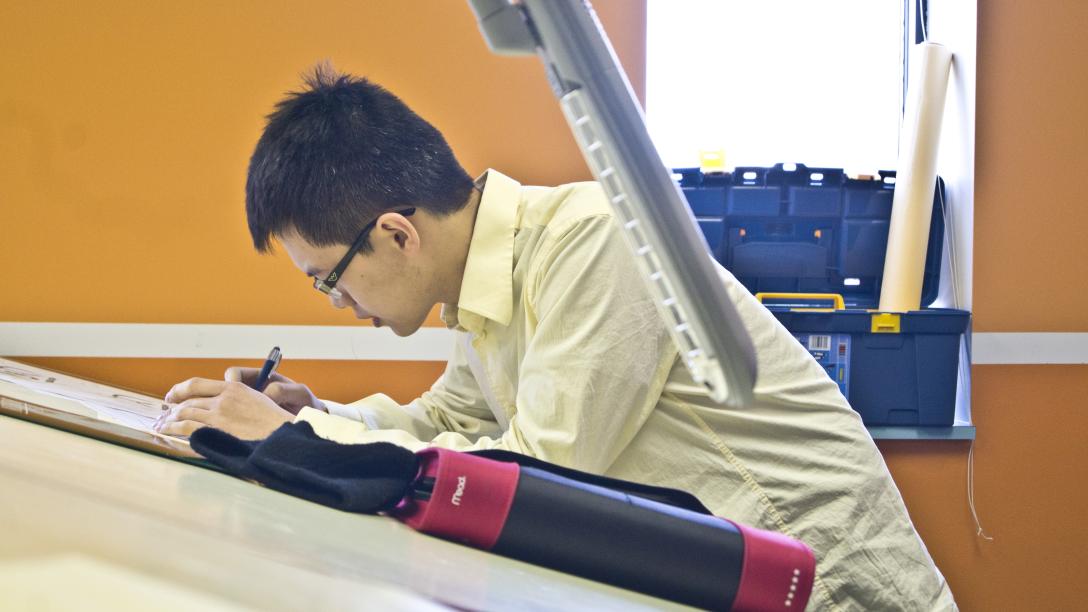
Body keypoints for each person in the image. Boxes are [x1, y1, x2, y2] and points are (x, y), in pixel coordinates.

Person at [158, 65, 956, 610]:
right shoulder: (480, 284)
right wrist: (314, 416)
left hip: (828, 586)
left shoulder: (594, 242)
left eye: (328, 278)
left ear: (398, 234)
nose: (335, 302)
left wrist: (300, 443)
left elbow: (537, 475)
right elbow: (450, 425)